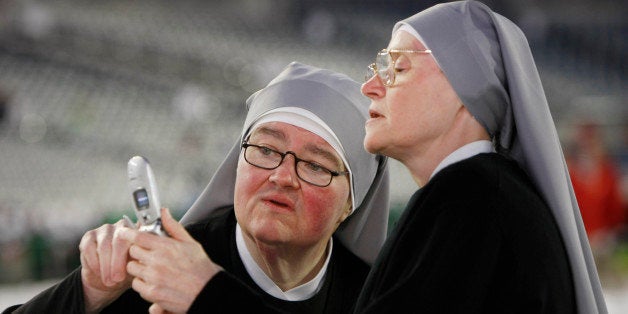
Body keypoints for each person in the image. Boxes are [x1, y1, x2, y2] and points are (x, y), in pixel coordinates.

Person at [4, 62, 389, 314]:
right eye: (266, 149)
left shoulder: (373, 298)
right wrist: (86, 294)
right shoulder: (153, 276)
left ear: (352, 203)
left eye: (315, 165)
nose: (282, 176)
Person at [356, 1, 606, 314]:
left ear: (465, 86)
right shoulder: (489, 194)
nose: (369, 87)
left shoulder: (467, 201)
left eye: (398, 68)